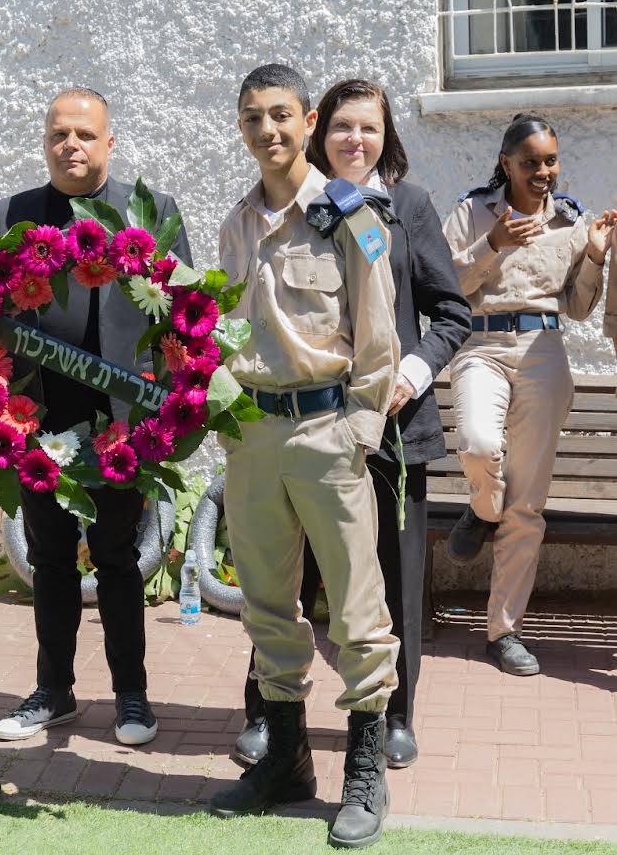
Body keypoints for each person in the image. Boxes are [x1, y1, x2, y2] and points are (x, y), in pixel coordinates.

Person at [235, 79, 471, 771]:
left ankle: (394, 715)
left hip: (388, 424)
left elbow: (450, 313)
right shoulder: (278, 212)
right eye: (342, 128)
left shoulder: (406, 207)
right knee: (286, 574)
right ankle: (267, 713)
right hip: (302, 424)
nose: (354, 141)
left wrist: (410, 375)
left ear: (385, 135)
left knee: (392, 578)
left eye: (368, 128)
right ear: (319, 130)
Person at [207, 64, 400, 850]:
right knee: (266, 605)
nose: (268, 131)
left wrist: (360, 428)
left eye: (281, 115)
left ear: (308, 117)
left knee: (356, 608)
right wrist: (222, 408)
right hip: (255, 436)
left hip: (327, 431)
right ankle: (285, 760)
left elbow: (379, 334)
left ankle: (364, 768)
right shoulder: (236, 222)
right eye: (253, 117)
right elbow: (218, 325)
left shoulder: (348, 214)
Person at [0, 87, 191, 747]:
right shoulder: (11, 215)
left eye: (84, 134)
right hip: (39, 415)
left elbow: (183, 318)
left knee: (119, 557)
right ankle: (55, 689)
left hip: (122, 417)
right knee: (49, 558)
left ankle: (132, 696)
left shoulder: (150, 213)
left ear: (110, 143)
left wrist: (170, 404)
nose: (70, 144)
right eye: (57, 134)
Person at [442, 113, 615, 676]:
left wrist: (593, 254)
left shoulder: (571, 220)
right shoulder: (472, 212)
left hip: (544, 351)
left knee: (527, 504)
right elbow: (446, 285)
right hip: (482, 346)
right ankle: (481, 507)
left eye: (550, 161)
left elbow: (581, 308)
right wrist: (491, 243)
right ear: (505, 163)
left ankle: (505, 631)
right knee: (475, 444)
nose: (543, 172)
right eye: (530, 162)